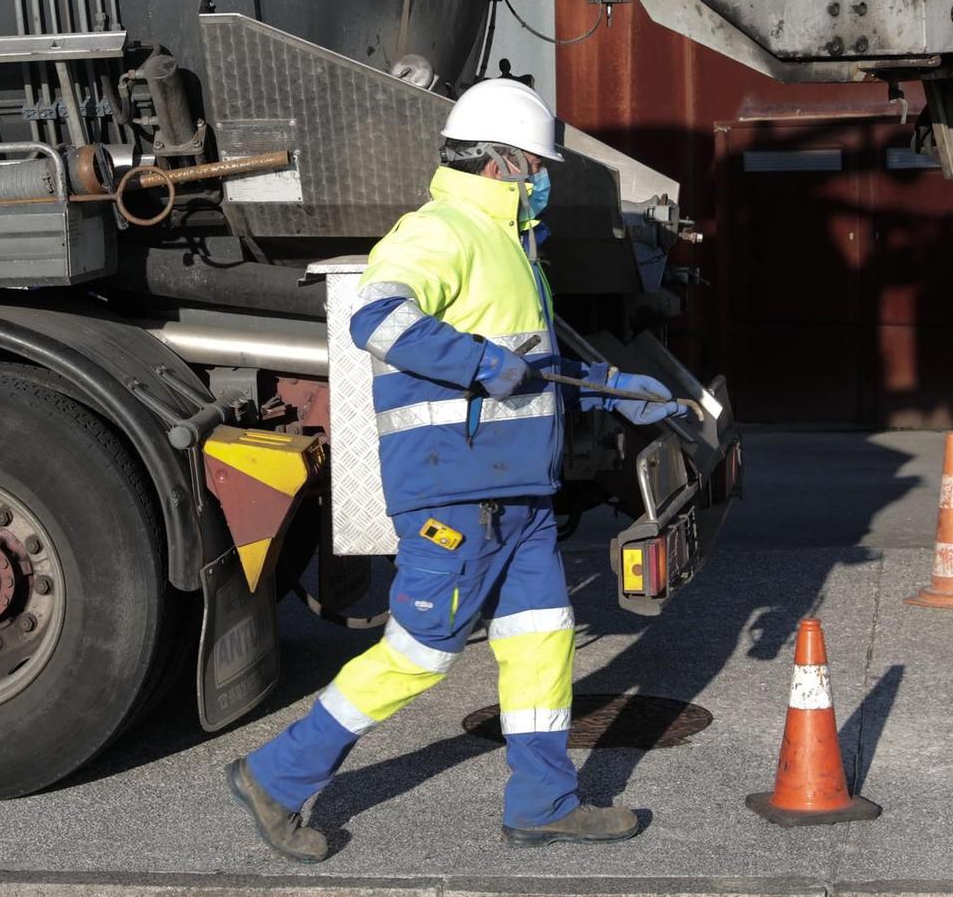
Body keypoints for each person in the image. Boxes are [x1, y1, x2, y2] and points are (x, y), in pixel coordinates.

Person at [226, 78, 679, 861]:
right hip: (458, 495)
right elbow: (377, 314)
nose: (543, 179)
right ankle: (277, 775)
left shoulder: (509, 245)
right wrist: (475, 363)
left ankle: (543, 802)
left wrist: (611, 388)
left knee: (542, 640)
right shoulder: (443, 229)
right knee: (421, 651)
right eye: (536, 165)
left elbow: (534, 364)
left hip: (518, 495)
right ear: (501, 162)